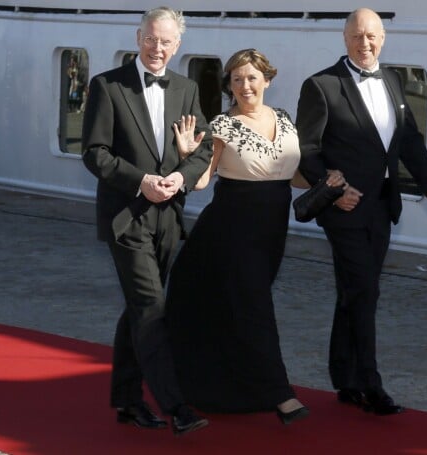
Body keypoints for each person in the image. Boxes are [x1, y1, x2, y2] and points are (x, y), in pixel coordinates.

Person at [166, 49, 340, 424]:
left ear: (267, 80)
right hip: (229, 229)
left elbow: (287, 174)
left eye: (251, 78)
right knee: (254, 306)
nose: (244, 86)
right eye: (237, 79)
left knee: (239, 308)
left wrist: (329, 182)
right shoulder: (222, 125)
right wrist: (185, 155)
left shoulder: (284, 119)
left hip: (272, 228)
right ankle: (281, 396)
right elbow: (201, 180)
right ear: (229, 85)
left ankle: (234, 387)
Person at [296, 8, 427, 416]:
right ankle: (370, 383)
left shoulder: (394, 81)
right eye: (357, 36)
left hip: (382, 205)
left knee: (354, 291)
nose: (365, 43)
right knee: (365, 290)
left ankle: (343, 378)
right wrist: (334, 190)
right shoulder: (322, 85)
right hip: (344, 206)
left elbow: (410, 141)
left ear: (384, 38)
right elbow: (306, 151)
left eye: (372, 36)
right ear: (345, 39)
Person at [81, 7, 212, 436]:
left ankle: (126, 398)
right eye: (151, 39)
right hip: (126, 216)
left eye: (167, 42)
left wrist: (179, 176)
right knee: (152, 308)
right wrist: (142, 181)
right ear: (138, 37)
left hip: (169, 217)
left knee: (139, 309)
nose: (158, 48)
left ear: (178, 46)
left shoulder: (188, 88)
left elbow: (204, 151)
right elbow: (95, 152)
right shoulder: (107, 85)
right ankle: (177, 406)